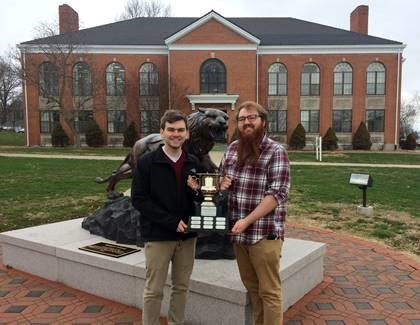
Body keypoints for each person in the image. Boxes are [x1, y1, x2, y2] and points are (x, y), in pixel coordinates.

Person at [219, 101, 291, 325]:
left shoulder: (276, 151)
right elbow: (221, 179)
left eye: (251, 118)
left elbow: (277, 194)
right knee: (252, 289)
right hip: (239, 235)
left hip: (263, 233)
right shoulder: (232, 149)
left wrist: (247, 220)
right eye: (241, 119)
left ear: (263, 122)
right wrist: (222, 183)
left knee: (269, 292)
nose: (246, 122)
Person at [131, 110, 202, 325]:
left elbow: (199, 197)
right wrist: (170, 221)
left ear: (187, 134)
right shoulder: (147, 162)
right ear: (162, 132)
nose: (176, 134)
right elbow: (139, 199)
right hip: (159, 236)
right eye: (170, 130)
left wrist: (199, 191)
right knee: (154, 290)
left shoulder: (193, 163)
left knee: (181, 287)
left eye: (180, 130)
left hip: (187, 238)